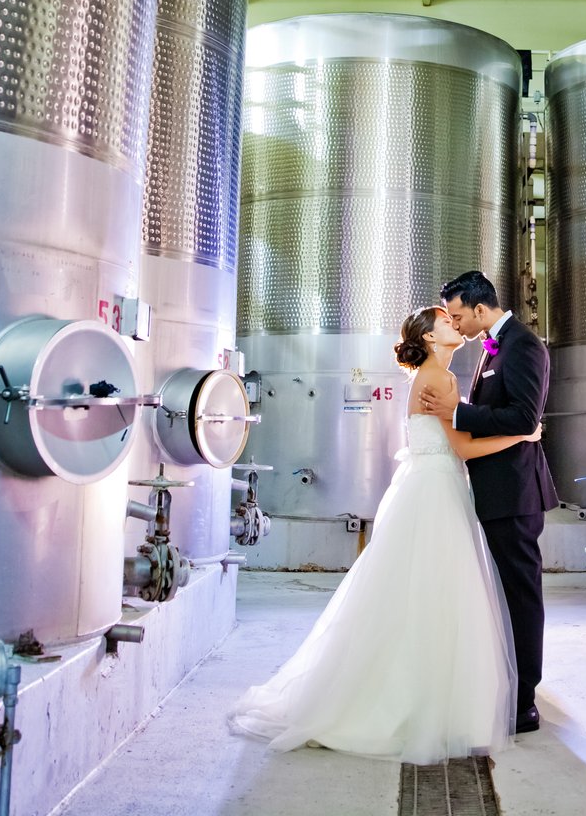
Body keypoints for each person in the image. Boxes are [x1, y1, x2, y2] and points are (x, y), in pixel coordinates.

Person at [228, 306, 541, 763]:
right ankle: (425, 702)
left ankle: (422, 694)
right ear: (429, 338)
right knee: (436, 596)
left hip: (433, 486)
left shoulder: (436, 376)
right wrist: (524, 436)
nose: (454, 324)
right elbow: (462, 448)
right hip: (435, 491)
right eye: (445, 321)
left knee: (422, 597)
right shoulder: (438, 380)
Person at [414, 270, 558, 735]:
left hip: (515, 493)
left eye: (457, 316)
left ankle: (524, 701)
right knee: (502, 595)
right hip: (495, 492)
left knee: (520, 596)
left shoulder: (523, 345)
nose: (455, 324)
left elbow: (523, 416)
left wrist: (457, 413)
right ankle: (507, 685)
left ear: (480, 309)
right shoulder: (492, 347)